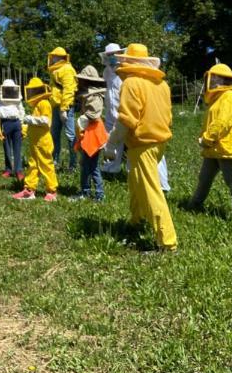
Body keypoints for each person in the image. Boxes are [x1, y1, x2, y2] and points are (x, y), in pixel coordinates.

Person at [107, 43, 177, 252]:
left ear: (128, 62)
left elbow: (126, 120)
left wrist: (111, 143)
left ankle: (167, 241)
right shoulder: (161, 84)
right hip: (159, 142)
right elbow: (169, 116)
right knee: (136, 181)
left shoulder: (131, 84)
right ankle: (136, 221)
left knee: (150, 189)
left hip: (142, 144)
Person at [188, 64, 232, 216]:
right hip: (213, 148)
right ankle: (195, 204)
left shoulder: (230, 96)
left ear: (223, 79)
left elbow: (222, 122)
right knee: (204, 178)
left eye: (214, 77)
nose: (211, 80)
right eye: (211, 77)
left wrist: (207, 139)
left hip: (226, 147)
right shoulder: (217, 98)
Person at [12, 78, 58, 202]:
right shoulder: (38, 104)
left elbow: (46, 121)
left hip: (43, 142)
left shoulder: (44, 103)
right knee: (33, 166)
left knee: (46, 165)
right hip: (35, 142)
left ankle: (52, 191)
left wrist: (29, 119)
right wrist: (25, 130)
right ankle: (29, 190)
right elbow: (34, 123)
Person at [72, 65, 108, 201]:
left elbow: (94, 114)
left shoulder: (94, 96)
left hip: (93, 133)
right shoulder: (90, 93)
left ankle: (98, 194)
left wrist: (83, 119)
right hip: (89, 132)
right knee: (85, 164)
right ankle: (86, 191)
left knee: (92, 166)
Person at [48, 46, 78, 171]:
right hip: (56, 106)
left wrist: (64, 108)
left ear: (60, 57)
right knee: (54, 135)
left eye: (55, 56)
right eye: (52, 56)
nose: (52, 58)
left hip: (65, 108)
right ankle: (54, 161)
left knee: (70, 136)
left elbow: (69, 90)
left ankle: (73, 165)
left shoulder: (67, 69)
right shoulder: (55, 70)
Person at [0, 78, 25, 181]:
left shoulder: (17, 100)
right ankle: (8, 169)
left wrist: (23, 124)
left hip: (16, 123)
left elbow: (21, 111)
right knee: (6, 148)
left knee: (17, 148)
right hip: (5, 123)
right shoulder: (0, 99)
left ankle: (18, 170)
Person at [100, 43, 125, 175]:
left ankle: (128, 168)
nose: (112, 57)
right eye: (109, 55)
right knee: (109, 140)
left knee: (125, 139)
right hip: (110, 110)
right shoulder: (106, 71)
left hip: (123, 111)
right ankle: (112, 167)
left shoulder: (125, 70)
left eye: (114, 54)